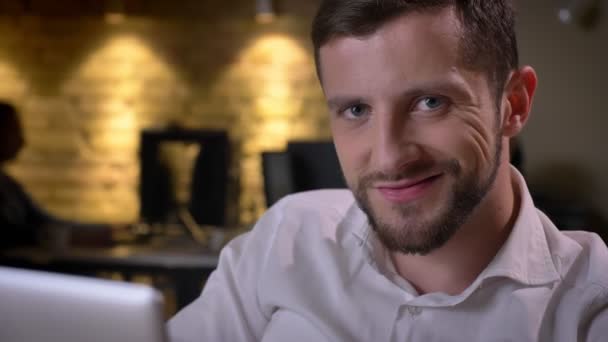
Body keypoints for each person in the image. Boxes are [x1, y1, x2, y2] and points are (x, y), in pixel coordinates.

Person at [168, 1, 608, 341]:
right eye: (356, 109)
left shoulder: (589, 308)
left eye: (430, 102)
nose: (388, 158)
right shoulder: (286, 238)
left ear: (513, 104)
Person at [0, 102, 113, 250]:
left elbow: (43, 220)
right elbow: (12, 236)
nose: (22, 141)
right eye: (14, 131)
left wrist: (106, 231)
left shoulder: (7, 184)